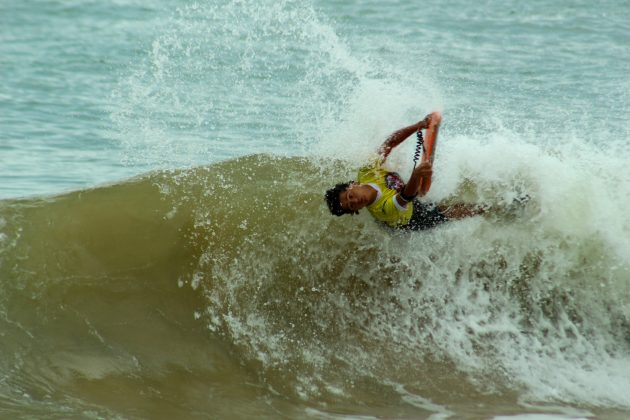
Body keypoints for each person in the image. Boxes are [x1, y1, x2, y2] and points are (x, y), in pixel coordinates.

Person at [324, 113, 485, 231]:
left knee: (393, 164)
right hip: (412, 218)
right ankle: (487, 209)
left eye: (350, 196)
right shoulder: (383, 209)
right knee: (445, 212)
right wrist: (417, 174)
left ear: (353, 185)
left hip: (399, 199)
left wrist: (418, 126)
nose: (355, 201)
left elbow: (389, 143)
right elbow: (406, 196)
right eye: (352, 206)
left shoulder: (366, 172)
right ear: (356, 211)